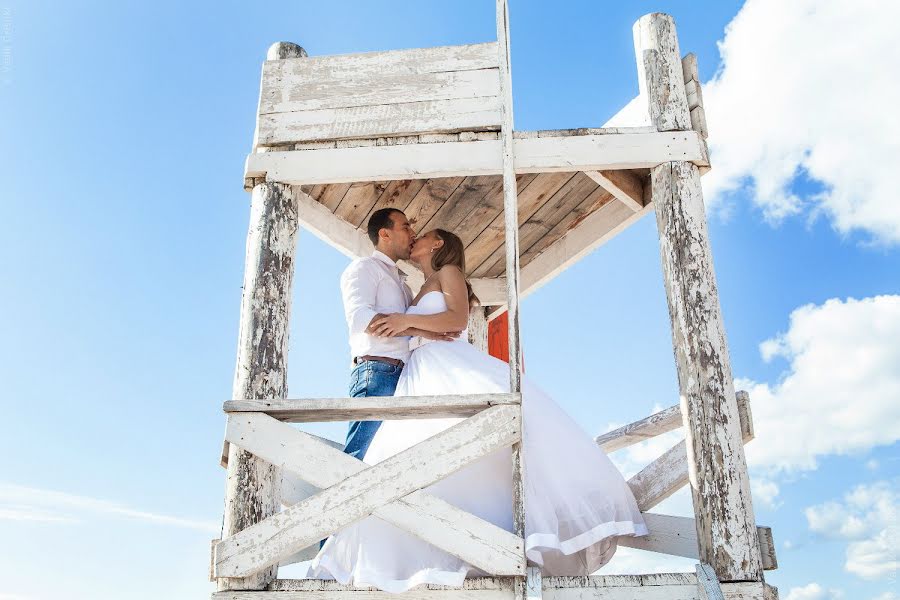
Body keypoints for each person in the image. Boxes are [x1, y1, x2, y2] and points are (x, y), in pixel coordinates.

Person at [311, 228, 648, 591]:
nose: (414, 239)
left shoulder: (449, 272)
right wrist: (415, 324)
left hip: (446, 366)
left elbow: (455, 320)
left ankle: (497, 537)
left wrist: (407, 321)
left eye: (421, 235)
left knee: (472, 446)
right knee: (417, 457)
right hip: (420, 370)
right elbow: (431, 325)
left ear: (437, 244)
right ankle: (448, 546)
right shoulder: (416, 285)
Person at [339, 209, 459, 461]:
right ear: (385, 234)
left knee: (388, 461)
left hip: (404, 378)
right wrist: (418, 329)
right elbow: (362, 318)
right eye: (405, 226)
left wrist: (419, 329)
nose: (413, 232)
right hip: (377, 371)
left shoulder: (403, 285)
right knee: (359, 459)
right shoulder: (364, 267)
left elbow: (399, 326)